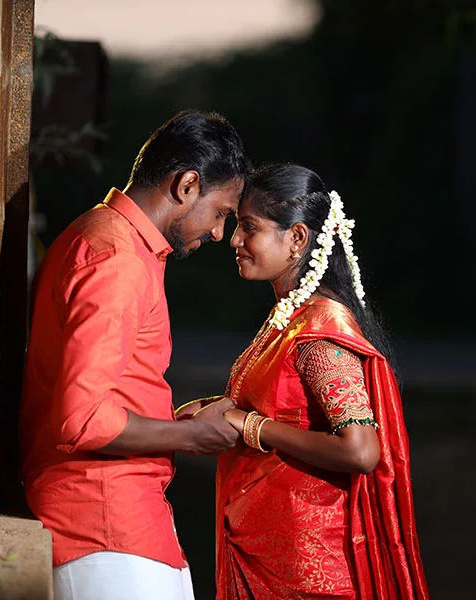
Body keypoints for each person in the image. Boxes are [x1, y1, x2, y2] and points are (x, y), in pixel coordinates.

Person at [19, 109, 250, 600]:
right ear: (187, 185)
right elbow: (82, 420)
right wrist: (190, 435)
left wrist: (174, 419)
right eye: (221, 213)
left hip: (124, 519)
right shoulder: (116, 257)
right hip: (99, 521)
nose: (218, 233)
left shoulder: (115, 241)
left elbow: (103, 394)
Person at [177, 163, 430, 599]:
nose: (234, 240)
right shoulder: (290, 318)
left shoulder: (319, 330)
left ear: (296, 238)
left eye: (248, 227)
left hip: (307, 567)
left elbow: (361, 450)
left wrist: (250, 425)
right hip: (273, 546)